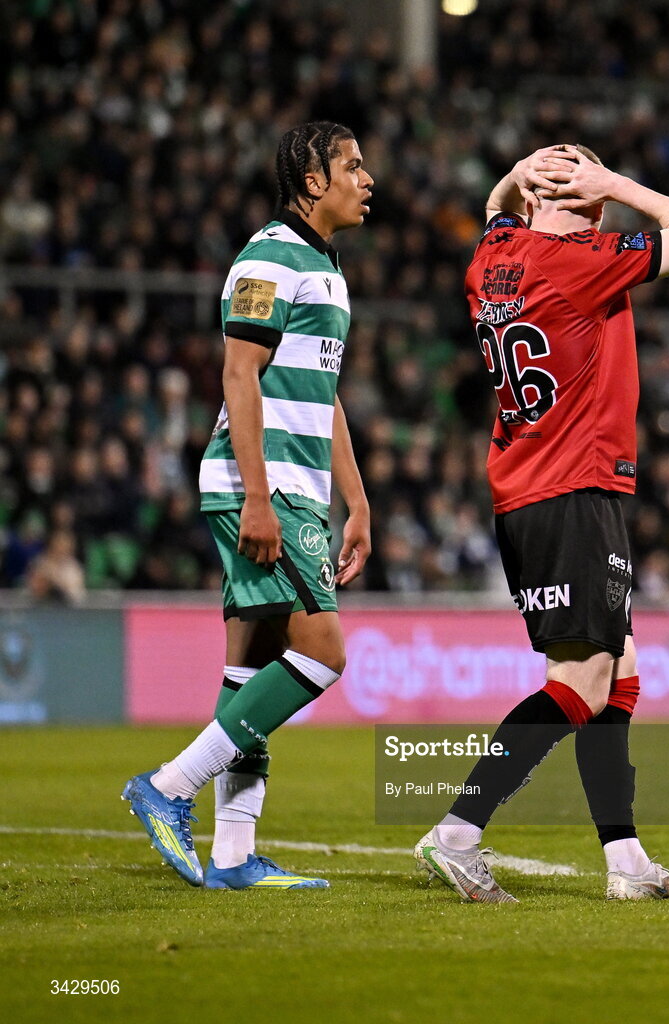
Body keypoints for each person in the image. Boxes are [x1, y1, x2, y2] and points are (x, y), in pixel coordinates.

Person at [415, 143, 669, 903]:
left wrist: (520, 176)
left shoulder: (495, 257)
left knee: (618, 673)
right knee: (581, 682)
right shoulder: (579, 261)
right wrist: (617, 181)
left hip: (530, 487)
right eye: (584, 195)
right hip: (574, 487)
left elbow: (492, 211)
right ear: (569, 212)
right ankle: (457, 833)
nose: (597, 206)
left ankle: (625, 863)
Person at [122, 122, 373, 890]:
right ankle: (167, 787)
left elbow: (322, 396)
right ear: (311, 180)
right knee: (324, 654)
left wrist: (357, 502)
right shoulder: (268, 255)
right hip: (259, 488)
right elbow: (239, 376)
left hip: (301, 488)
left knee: (251, 665)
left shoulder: (326, 270)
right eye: (353, 167)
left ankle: (233, 854)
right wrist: (259, 499)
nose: (368, 180)